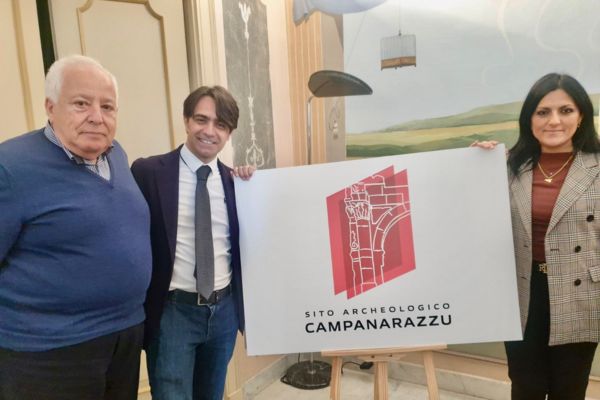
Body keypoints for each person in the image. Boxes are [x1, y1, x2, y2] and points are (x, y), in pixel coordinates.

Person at [0, 55, 151, 400]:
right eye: (81, 103)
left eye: (107, 107)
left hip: (124, 335)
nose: (97, 116)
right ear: (50, 107)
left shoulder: (116, 154)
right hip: (49, 352)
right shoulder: (10, 167)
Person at [474, 73, 600, 399]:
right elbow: (474, 217)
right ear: (529, 119)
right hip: (522, 290)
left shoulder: (597, 167)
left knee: (569, 388)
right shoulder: (509, 166)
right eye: (543, 112)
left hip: (580, 291)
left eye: (565, 110)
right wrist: (476, 165)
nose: (554, 121)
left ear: (581, 116)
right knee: (525, 385)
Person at [131, 85, 254, 400]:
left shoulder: (237, 183)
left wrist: (253, 185)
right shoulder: (148, 172)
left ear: (229, 133)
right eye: (201, 119)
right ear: (186, 120)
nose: (209, 131)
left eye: (220, 125)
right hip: (173, 314)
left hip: (224, 313)